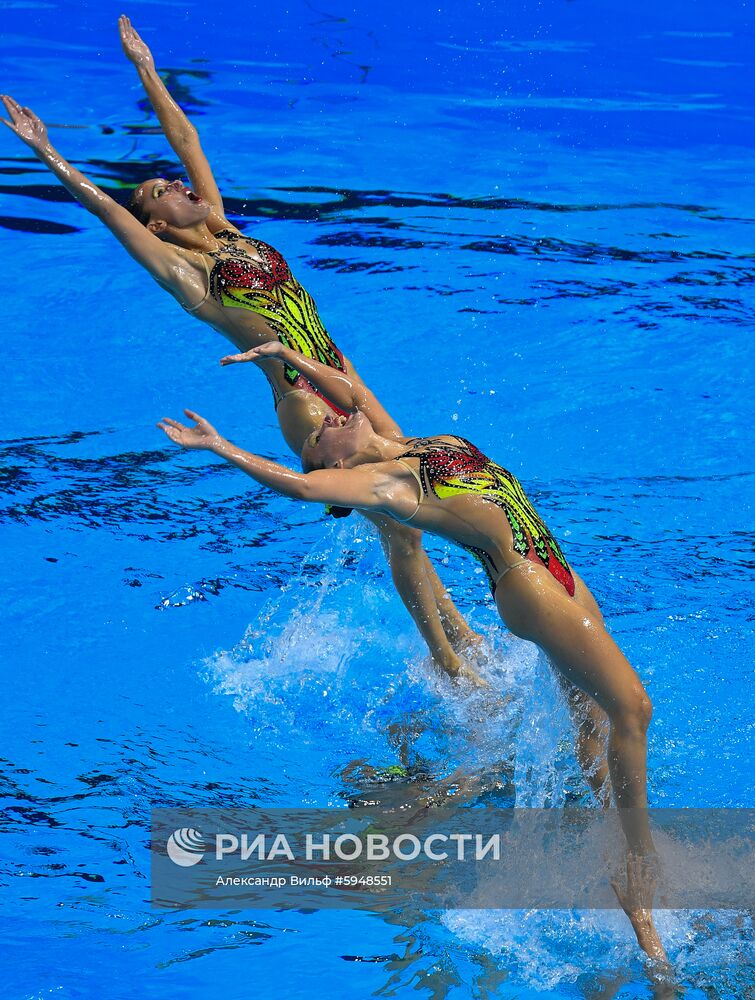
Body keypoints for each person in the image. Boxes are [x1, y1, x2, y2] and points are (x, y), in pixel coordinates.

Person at [158, 339, 668, 967]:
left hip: (553, 565)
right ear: (332, 469)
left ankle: (609, 842)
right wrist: (222, 447)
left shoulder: (402, 441)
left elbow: (350, 387)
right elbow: (298, 482)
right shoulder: (387, 485)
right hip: (529, 584)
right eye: (319, 435)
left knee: (590, 716)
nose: (327, 419)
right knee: (632, 710)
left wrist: (287, 357)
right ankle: (639, 877)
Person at [0, 16, 481, 680]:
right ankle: (449, 661)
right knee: (392, 515)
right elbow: (108, 212)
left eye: (168, 180)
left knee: (408, 513)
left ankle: (458, 634)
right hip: (307, 404)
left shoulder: (225, 229)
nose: (173, 182)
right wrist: (45, 149)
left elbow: (186, 135)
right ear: (159, 224)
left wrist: (145, 68)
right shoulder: (188, 277)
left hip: (343, 373)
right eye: (159, 192)